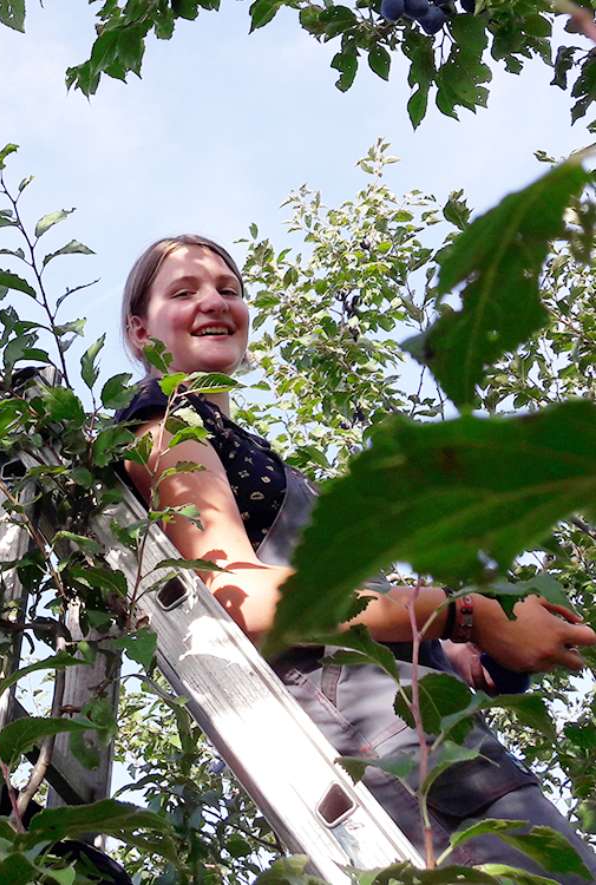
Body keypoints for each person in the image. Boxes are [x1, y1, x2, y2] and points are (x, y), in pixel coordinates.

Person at [114, 234, 596, 878]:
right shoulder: (169, 424)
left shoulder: (246, 446)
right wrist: (462, 613)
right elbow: (239, 597)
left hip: (418, 720)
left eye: (229, 289)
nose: (215, 302)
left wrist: (472, 649)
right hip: (370, 729)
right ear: (141, 329)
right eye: (185, 291)